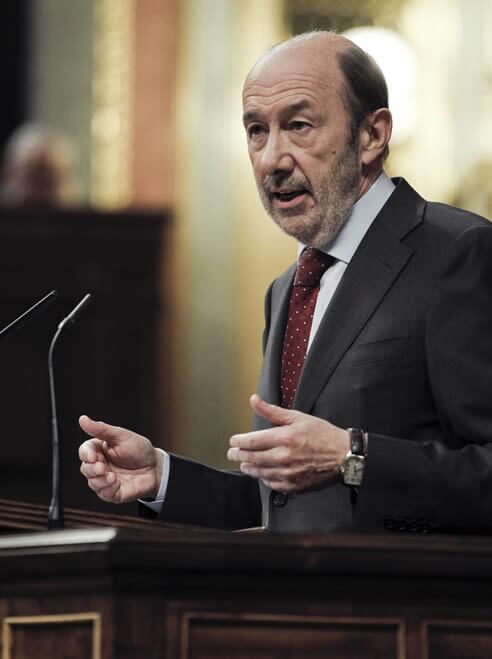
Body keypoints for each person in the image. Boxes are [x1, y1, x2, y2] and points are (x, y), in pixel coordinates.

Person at [79, 31, 492, 533]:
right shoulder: (288, 288)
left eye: (298, 125)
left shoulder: (458, 251)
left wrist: (353, 457)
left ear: (372, 135)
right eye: (256, 130)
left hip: (414, 606)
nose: (271, 159)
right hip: (297, 604)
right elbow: (286, 508)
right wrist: (161, 477)